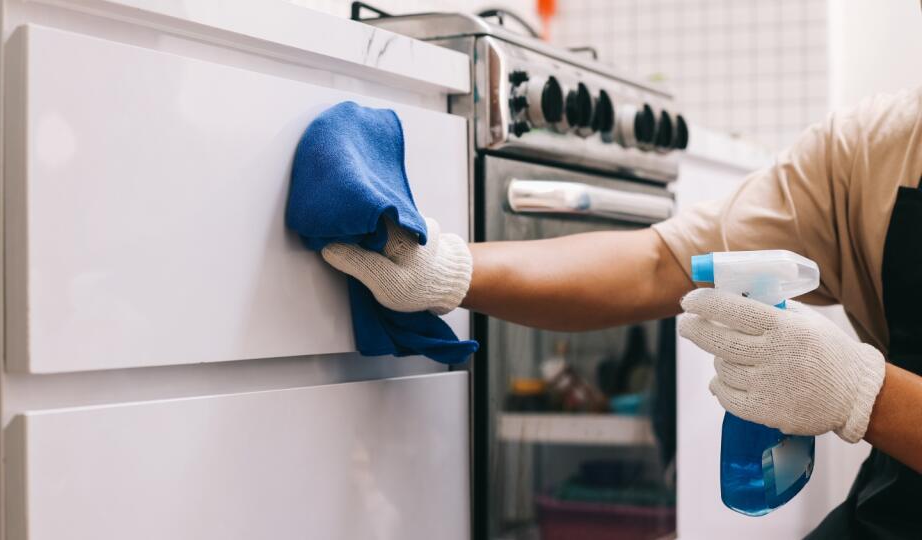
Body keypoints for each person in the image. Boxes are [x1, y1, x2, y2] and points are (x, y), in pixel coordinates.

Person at [320, 86, 922, 538]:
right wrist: (451, 272)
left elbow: (861, 395)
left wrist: (862, 395)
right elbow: (659, 265)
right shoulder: (876, 151)